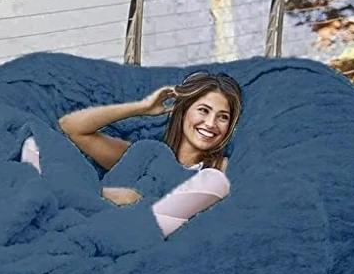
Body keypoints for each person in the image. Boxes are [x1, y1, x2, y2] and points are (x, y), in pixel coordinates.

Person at [20, 70, 243, 238]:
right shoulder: (143, 154)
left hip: (144, 230)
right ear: (183, 111)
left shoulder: (220, 169)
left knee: (214, 181)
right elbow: (71, 127)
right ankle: (46, 206)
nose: (211, 123)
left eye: (223, 117)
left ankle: (54, 203)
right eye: (203, 110)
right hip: (92, 215)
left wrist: (137, 200)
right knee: (37, 143)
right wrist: (142, 107)